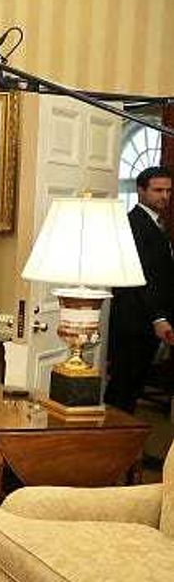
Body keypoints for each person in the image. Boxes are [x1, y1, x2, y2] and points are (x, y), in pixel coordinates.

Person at [105, 166, 174, 412]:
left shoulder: (156, 223)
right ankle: (116, 445)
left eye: (168, 190)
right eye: (158, 190)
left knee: (132, 387)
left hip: (144, 321)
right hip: (133, 322)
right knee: (124, 389)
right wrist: (159, 317)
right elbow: (139, 276)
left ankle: (124, 443)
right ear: (141, 190)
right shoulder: (134, 223)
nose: (164, 196)